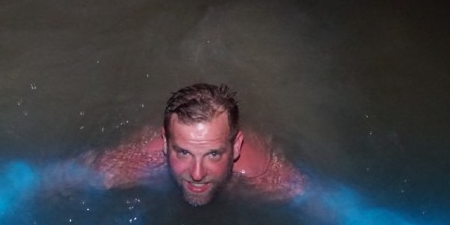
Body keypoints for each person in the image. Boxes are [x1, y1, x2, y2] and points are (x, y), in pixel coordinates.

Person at [85, 83, 306, 206]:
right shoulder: (141, 162)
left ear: (236, 147)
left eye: (213, 154)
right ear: (165, 143)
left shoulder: (262, 175)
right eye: (183, 153)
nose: (197, 174)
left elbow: (328, 205)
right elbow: (66, 176)